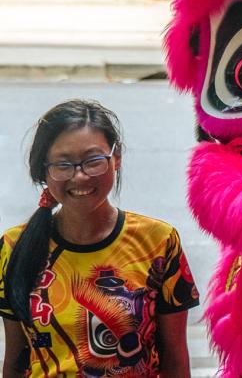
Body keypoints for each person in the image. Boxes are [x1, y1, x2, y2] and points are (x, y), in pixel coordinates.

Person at [0, 99, 200, 377]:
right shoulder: (13, 247)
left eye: (93, 160)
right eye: (63, 164)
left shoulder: (159, 242)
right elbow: (15, 359)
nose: (79, 176)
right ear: (44, 171)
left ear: (115, 158)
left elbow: (175, 359)